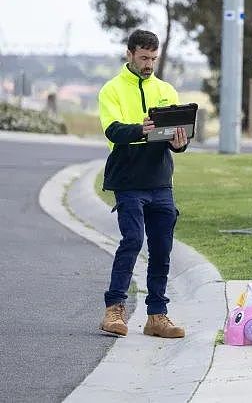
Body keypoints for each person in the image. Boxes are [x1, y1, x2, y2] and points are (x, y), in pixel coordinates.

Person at [98, 29, 188, 338]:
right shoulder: (111, 90)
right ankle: (114, 309)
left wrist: (179, 141)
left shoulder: (166, 90)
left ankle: (156, 316)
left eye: (153, 58)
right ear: (130, 54)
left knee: (162, 247)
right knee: (133, 240)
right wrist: (141, 129)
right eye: (144, 58)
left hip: (160, 181)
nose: (149, 64)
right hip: (128, 181)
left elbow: (175, 139)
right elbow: (113, 131)